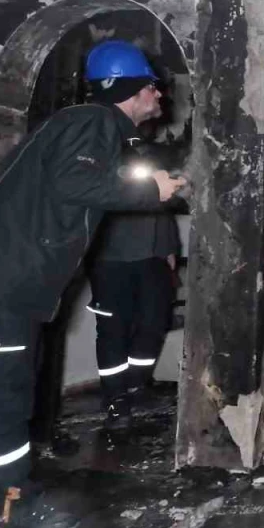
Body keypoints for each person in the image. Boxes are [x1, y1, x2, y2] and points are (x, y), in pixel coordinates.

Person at [0, 39, 186, 528]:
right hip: (3, 278)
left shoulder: (89, 126)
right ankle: (12, 502)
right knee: (7, 392)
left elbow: (72, 184)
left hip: (8, 277)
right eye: (152, 86)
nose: (159, 94)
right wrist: (149, 188)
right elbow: (74, 182)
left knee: (11, 383)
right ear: (131, 89)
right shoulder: (92, 121)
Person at [87, 139, 181, 432]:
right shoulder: (104, 157)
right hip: (111, 259)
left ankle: (136, 386)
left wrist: (168, 250)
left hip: (153, 258)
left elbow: (162, 209)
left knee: (153, 324)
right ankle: (115, 398)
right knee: (113, 330)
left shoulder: (153, 158)